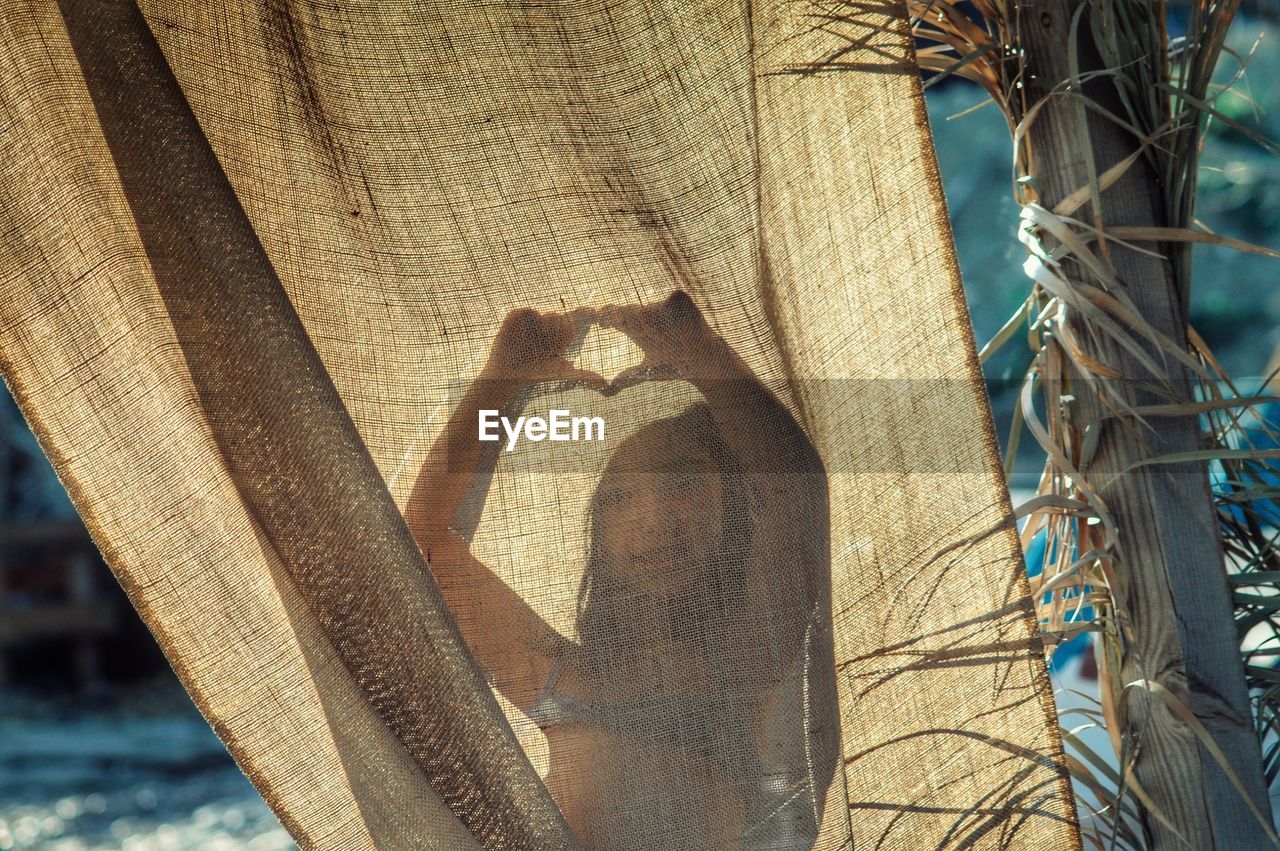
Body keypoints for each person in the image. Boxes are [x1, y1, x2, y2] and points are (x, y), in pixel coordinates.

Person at [407, 292, 840, 850]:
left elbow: (794, 492)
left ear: (736, 506)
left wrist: (701, 354)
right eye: (619, 497)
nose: (655, 520)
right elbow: (420, 554)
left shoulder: (747, 655)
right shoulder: (561, 678)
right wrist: (498, 385)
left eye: (684, 484)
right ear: (598, 533)